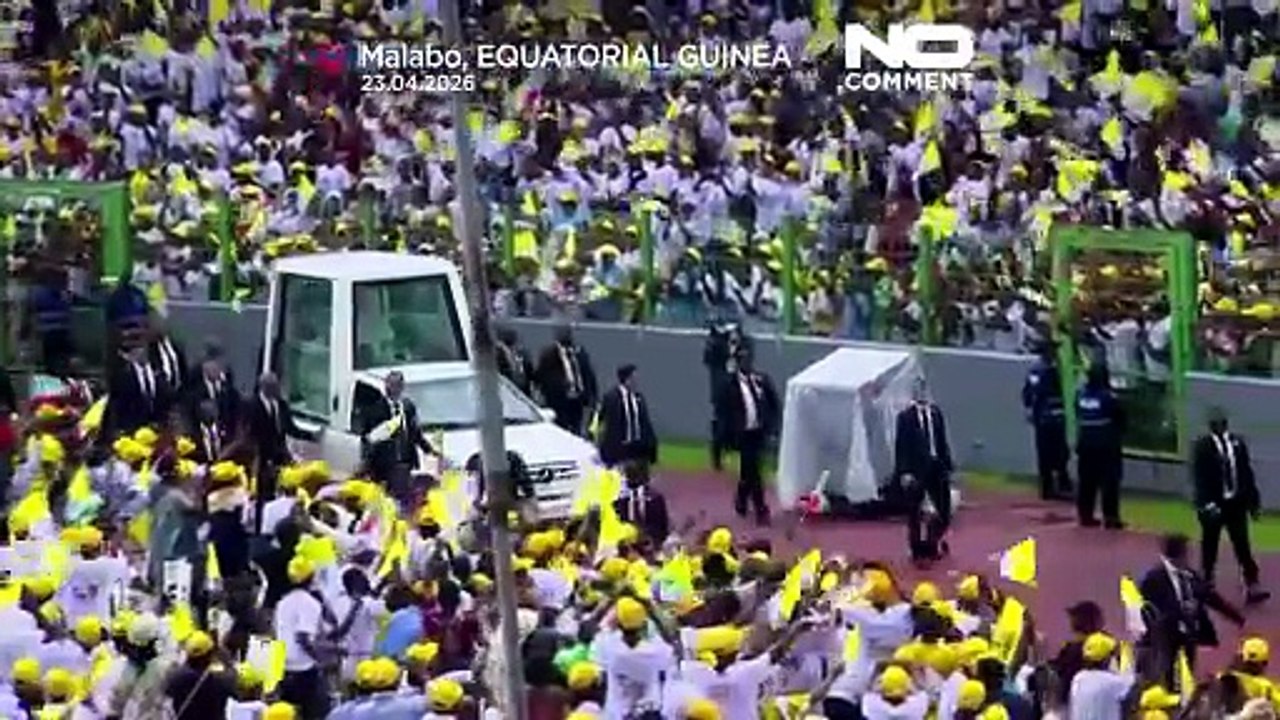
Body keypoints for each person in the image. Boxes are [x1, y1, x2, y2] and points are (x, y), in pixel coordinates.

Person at [1138, 534, 1245, 688]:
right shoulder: (1153, 578)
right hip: (1165, 636)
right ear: (1180, 553)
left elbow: (1211, 597)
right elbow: (1148, 609)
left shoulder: (1189, 575)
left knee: (1186, 671)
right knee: (1166, 671)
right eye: (1187, 551)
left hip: (1189, 633)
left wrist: (1236, 618)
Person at [1192, 409, 1270, 605]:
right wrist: (1205, 503)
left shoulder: (1237, 444)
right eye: (1215, 423)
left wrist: (1253, 503)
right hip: (1214, 502)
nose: (1218, 427)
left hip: (1235, 503)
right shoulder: (1203, 446)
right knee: (1210, 544)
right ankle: (1206, 582)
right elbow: (1199, 477)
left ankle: (1252, 584)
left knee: (1242, 544)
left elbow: (1246, 473)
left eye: (1221, 423)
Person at [715, 348, 779, 526]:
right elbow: (723, 414)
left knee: (748, 470)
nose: (747, 363)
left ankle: (741, 498)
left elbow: (773, 402)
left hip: (758, 431)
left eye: (749, 359)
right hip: (742, 434)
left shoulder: (760, 380)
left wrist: (771, 426)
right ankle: (761, 509)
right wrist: (724, 441)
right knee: (754, 470)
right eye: (743, 360)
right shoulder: (729, 385)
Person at [242, 373, 313, 533]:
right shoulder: (252, 406)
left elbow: (289, 428)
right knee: (264, 495)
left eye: (276, 386)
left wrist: (310, 436)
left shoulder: (281, 405)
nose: (276, 390)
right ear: (264, 387)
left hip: (280, 455)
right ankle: (261, 528)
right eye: (272, 387)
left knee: (284, 492)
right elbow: (249, 433)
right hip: (261, 456)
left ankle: (281, 526)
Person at [894, 378, 954, 563]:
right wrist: (904, 471)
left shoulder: (936, 414)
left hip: (937, 467)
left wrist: (948, 464)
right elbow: (901, 446)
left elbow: (942, 440)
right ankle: (917, 549)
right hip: (916, 469)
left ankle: (931, 542)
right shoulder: (905, 417)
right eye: (918, 390)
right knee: (915, 513)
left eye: (924, 390)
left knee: (944, 510)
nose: (922, 394)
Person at [359, 370, 434, 506]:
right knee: (388, 499)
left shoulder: (408, 407)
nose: (394, 389)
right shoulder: (375, 410)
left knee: (405, 497)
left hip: (406, 461)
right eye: (391, 385)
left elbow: (415, 432)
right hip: (385, 464)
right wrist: (367, 464)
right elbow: (368, 438)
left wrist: (428, 450)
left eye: (397, 385)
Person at [275, 556, 331, 720]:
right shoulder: (309, 603)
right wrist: (321, 660)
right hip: (304, 670)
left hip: (284, 668)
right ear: (311, 577)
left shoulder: (283, 602)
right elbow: (303, 638)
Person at [1074, 365, 1125, 529]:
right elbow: (1120, 418)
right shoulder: (1109, 397)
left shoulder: (1080, 395)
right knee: (1110, 481)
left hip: (1085, 444)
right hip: (1106, 445)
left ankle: (1085, 515)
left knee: (1086, 481)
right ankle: (1110, 517)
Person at [1022, 343, 1071, 501]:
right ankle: (1049, 487)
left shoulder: (1050, 368)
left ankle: (1059, 483)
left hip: (1053, 414)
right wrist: (1031, 408)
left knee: (1060, 451)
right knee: (1048, 452)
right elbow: (1032, 391)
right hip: (1046, 415)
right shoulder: (1042, 369)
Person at [535, 324, 598, 436]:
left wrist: (591, 394)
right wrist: (561, 386)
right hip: (559, 401)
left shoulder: (579, 352)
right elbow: (542, 377)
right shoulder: (549, 354)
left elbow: (588, 373)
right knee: (561, 429)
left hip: (578, 399)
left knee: (576, 428)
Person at [597, 364, 658, 472]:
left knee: (639, 480)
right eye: (634, 378)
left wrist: (651, 446)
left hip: (638, 447)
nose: (636, 381)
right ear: (626, 379)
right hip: (619, 448)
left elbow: (645, 423)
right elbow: (603, 421)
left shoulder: (638, 397)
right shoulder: (611, 398)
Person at [105, 345, 163, 439]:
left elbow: (164, 398)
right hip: (130, 430)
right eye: (137, 349)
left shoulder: (157, 372)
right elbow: (115, 404)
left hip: (155, 429)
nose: (141, 352)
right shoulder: (122, 375)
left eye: (142, 348)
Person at [612, 460, 670, 547]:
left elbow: (662, 527)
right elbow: (616, 525)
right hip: (626, 547)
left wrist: (651, 539)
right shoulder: (619, 499)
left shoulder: (656, 498)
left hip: (651, 545)